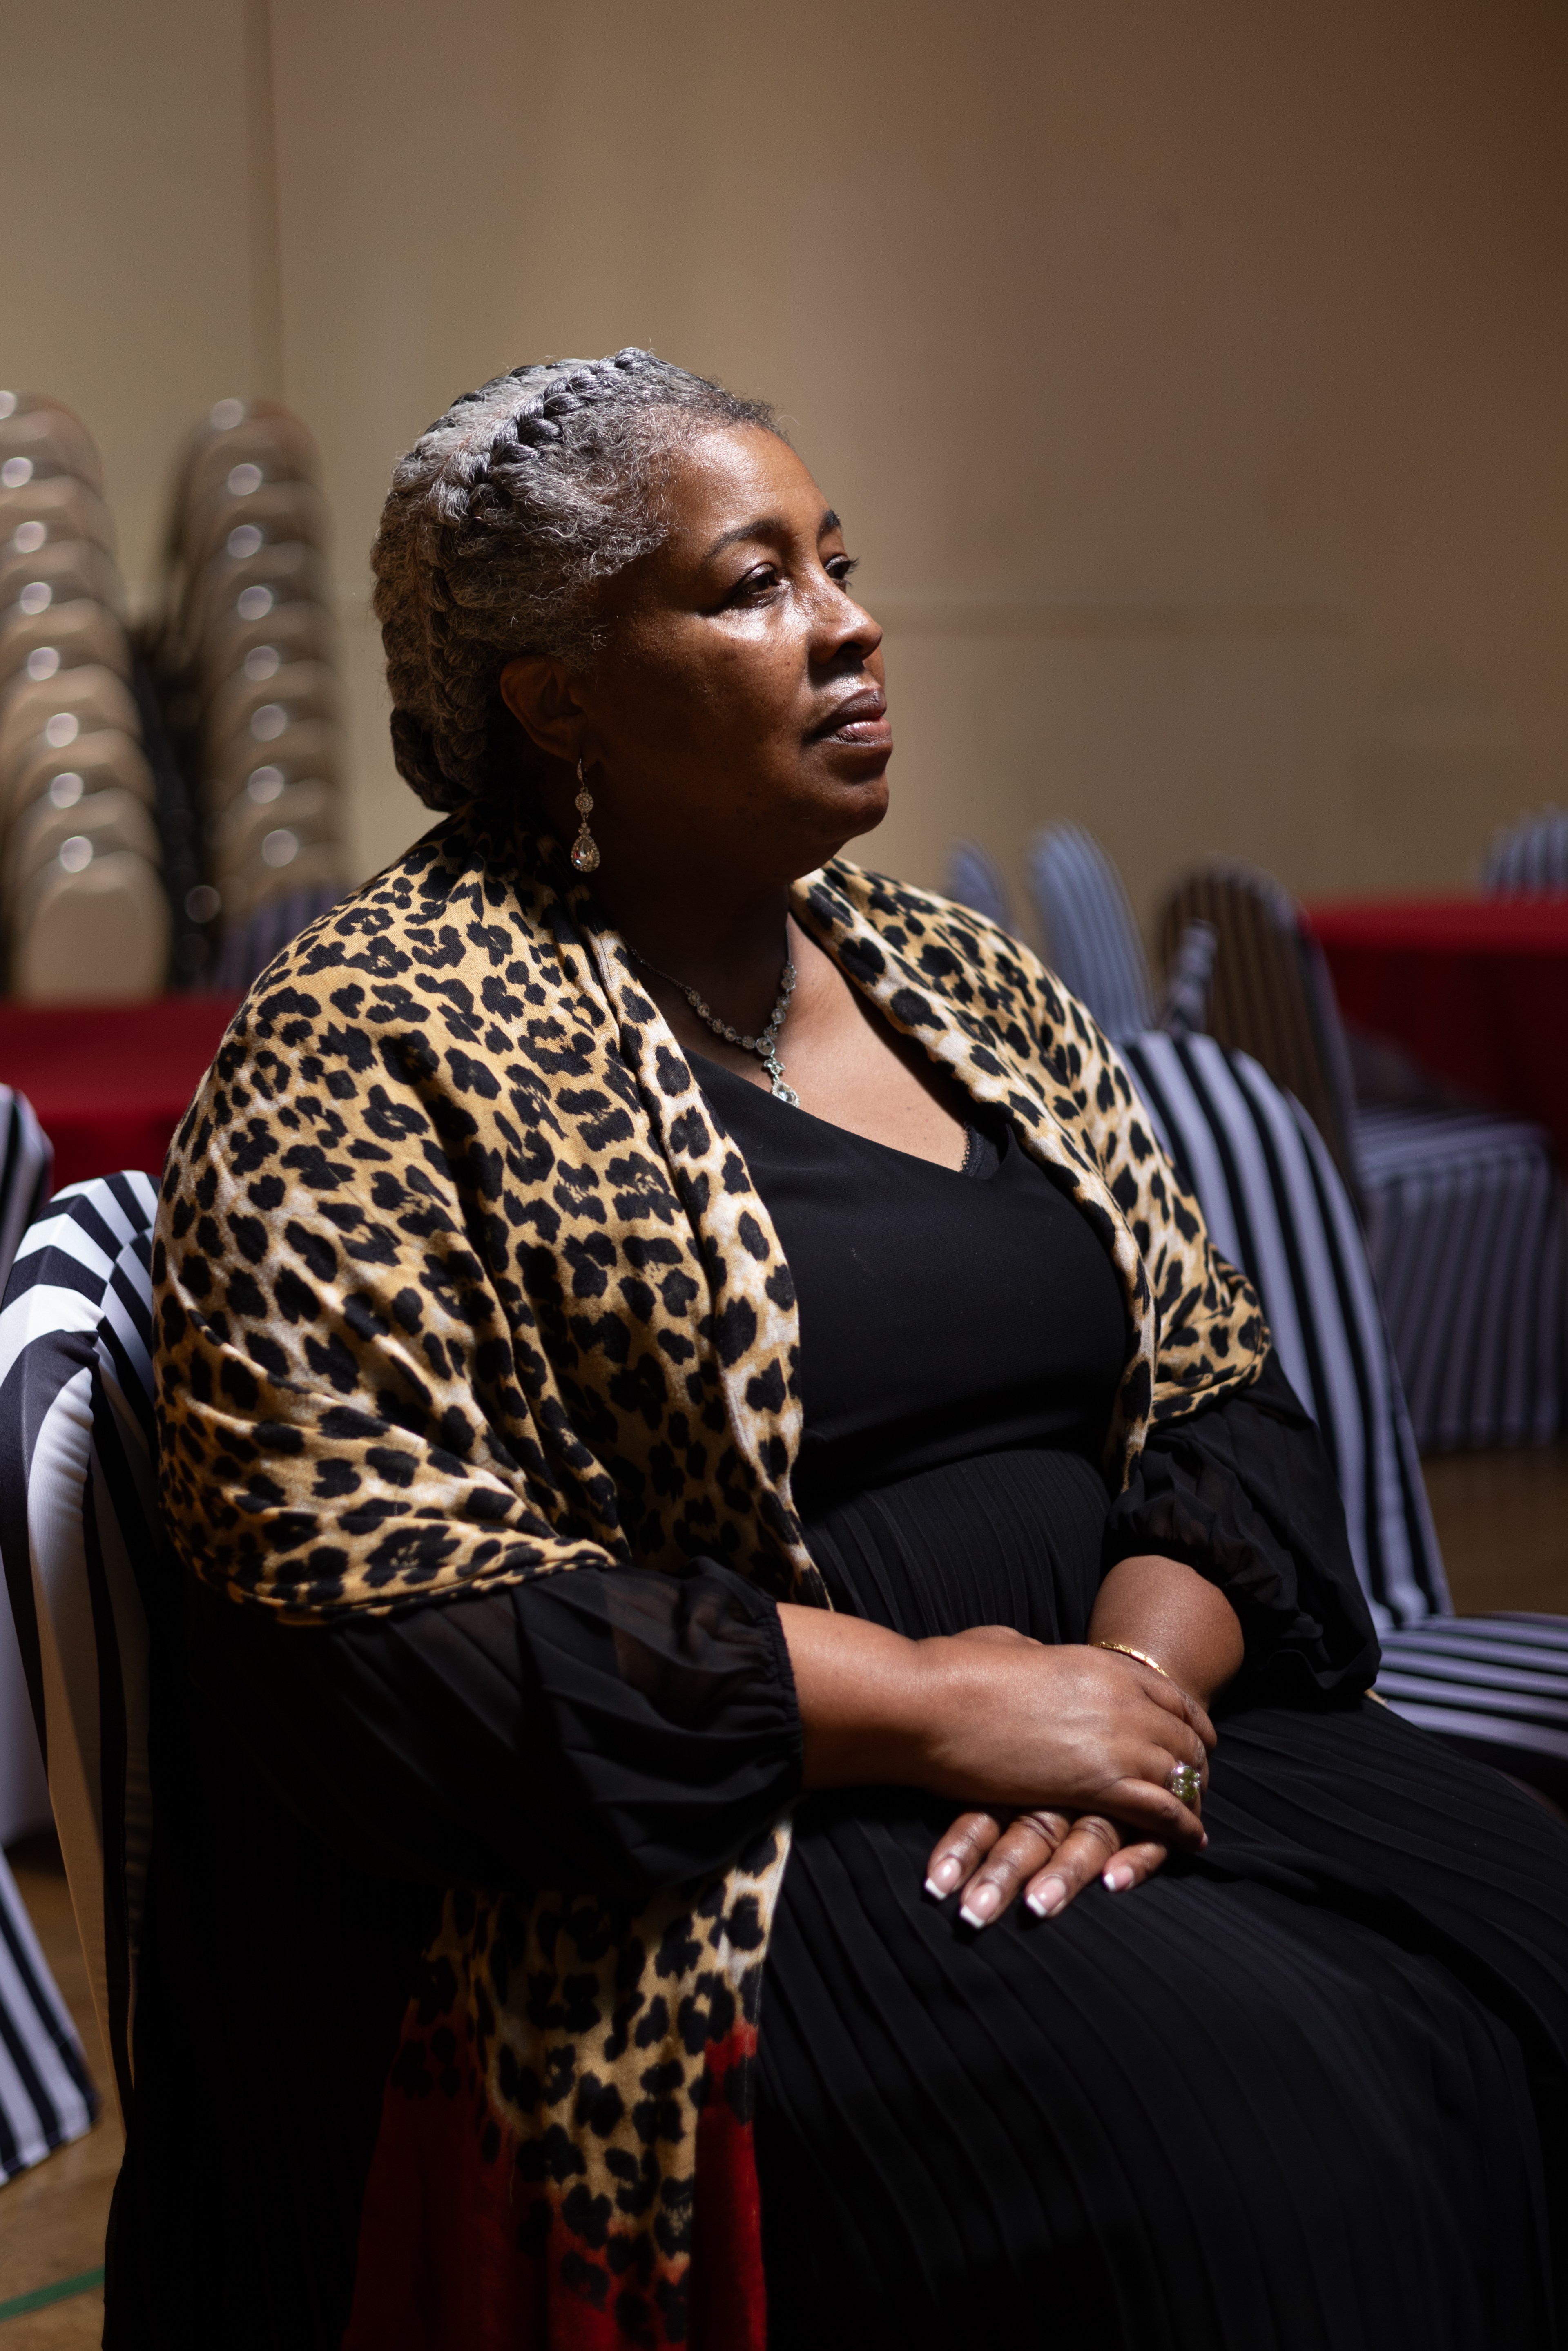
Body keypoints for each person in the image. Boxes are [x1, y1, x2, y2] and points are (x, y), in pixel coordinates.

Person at [127, 350, 1568, 2351]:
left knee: (1524, 1941)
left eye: (842, 561)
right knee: (1281, 2139)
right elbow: (368, 1615)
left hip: (1129, 1722)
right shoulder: (372, 1043)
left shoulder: (956, 974)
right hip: (727, 1856)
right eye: (751, 584)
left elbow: (1221, 1391)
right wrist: (933, 1706)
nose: (850, 620)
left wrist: (1122, 1694)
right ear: (557, 694)